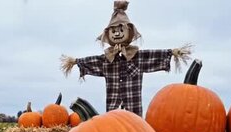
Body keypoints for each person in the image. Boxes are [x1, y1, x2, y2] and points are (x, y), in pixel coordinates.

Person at [61, 1, 192, 117]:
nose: (117, 33)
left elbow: (154, 55)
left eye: (121, 29)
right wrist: (76, 62)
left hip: (133, 115)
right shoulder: (106, 60)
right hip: (113, 113)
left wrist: (171, 53)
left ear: (129, 32)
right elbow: (92, 61)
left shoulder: (138, 58)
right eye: (113, 31)